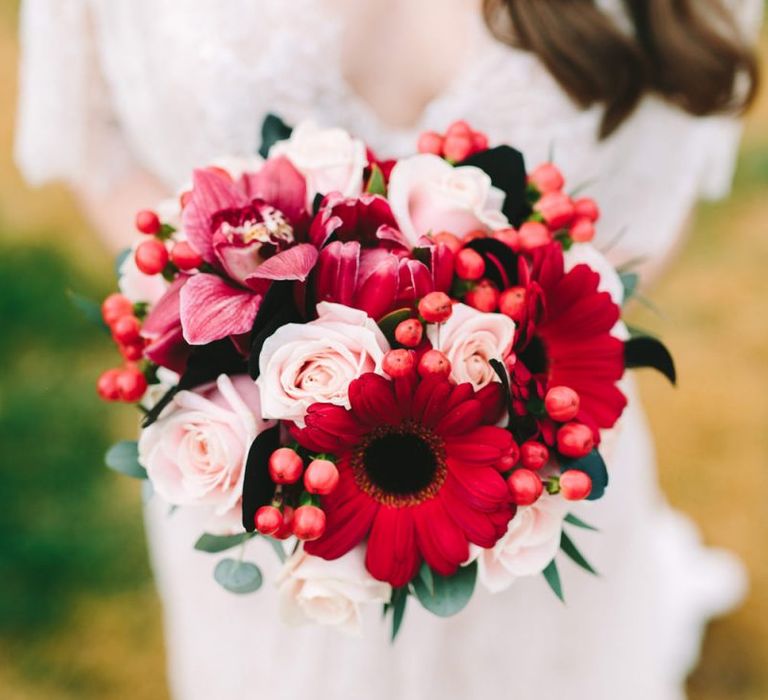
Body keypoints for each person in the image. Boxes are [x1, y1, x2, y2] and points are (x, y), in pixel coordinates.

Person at [14, 1, 761, 698]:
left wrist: (493, 375)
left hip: (529, 479)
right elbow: (99, 143)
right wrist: (259, 370)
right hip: (258, 483)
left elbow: (646, 207)